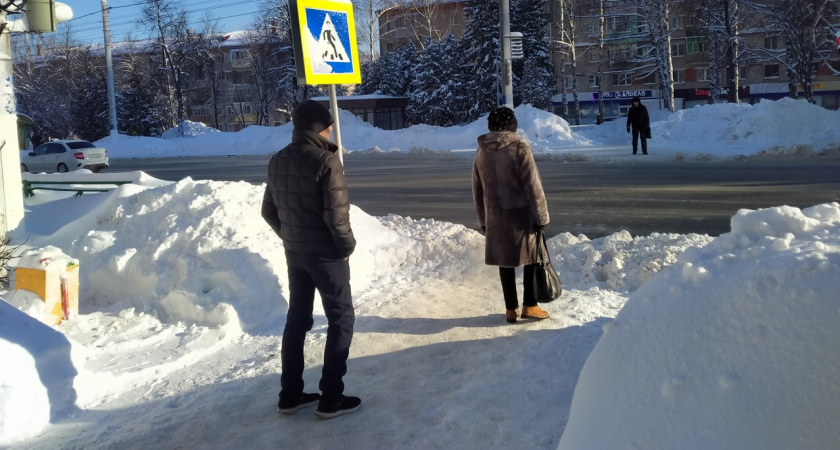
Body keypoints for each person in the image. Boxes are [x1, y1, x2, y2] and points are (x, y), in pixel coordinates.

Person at [261, 99, 361, 419]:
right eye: (329, 125)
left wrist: (292, 237)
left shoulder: (278, 160)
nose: (331, 129)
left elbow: (268, 211)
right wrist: (345, 248)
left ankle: (289, 395)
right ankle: (331, 397)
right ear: (321, 128)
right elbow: (337, 218)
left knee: (298, 321)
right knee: (341, 319)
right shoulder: (327, 160)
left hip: (296, 254)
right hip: (327, 256)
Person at [472, 106, 551, 324]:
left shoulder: (481, 150)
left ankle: (510, 309)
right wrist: (542, 216)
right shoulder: (519, 146)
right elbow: (533, 186)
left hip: (495, 217)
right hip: (521, 216)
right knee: (532, 257)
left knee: (504, 261)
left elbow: (477, 189)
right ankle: (531, 305)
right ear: (512, 125)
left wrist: (483, 220)